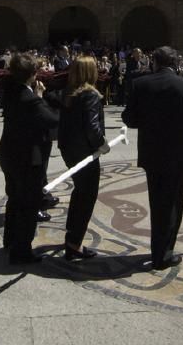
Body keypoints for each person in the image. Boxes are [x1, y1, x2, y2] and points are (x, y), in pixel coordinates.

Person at [122, 46, 183, 271]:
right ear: (176, 64)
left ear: (154, 62)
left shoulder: (141, 85)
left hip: (152, 153)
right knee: (173, 204)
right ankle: (163, 254)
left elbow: (129, 119)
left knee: (158, 203)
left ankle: (159, 251)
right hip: (178, 154)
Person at [0, 52, 59, 264]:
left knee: (14, 198)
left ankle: (10, 240)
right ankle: (21, 250)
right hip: (27, 156)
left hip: (9, 152)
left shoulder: (10, 90)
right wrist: (41, 97)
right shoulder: (30, 98)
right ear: (32, 74)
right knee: (28, 203)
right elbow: (51, 120)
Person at [58, 57, 108, 260]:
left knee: (79, 193)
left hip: (70, 150)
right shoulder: (90, 95)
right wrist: (101, 144)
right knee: (86, 197)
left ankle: (72, 236)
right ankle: (74, 243)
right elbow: (92, 126)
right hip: (85, 152)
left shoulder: (69, 93)